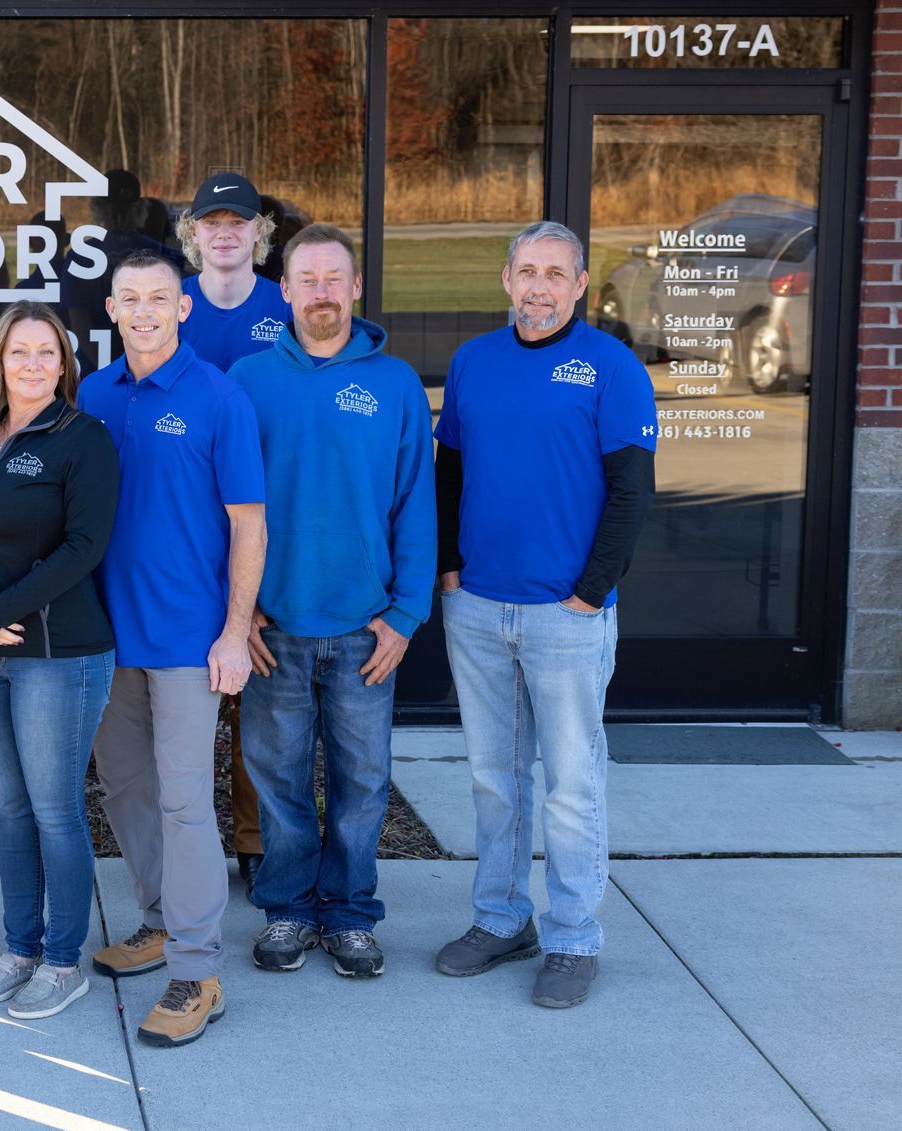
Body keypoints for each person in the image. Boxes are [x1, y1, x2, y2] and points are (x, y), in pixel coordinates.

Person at [431, 221, 657, 1010]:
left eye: (555, 274)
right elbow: (450, 473)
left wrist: (589, 592)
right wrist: (450, 570)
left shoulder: (612, 367)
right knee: (495, 779)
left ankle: (572, 937)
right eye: (527, 271)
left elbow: (631, 493)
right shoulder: (473, 361)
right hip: (479, 606)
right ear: (506, 278)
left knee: (570, 784)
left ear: (580, 285)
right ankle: (501, 919)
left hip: (567, 615)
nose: (539, 287)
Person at [229, 224, 435, 980]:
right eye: (306, 279)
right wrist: (239, 611)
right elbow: (221, 506)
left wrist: (406, 614)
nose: (321, 292)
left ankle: (349, 915)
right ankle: (287, 907)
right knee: (278, 781)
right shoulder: (247, 380)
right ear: (284, 290)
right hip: (274, 626)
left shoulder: (396, 383)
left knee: (363, 785)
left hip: (364, 629)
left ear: (355, 288)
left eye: (333, 278)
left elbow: (416, 504)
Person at [77, 254, 266, 1049]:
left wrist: (235, 630)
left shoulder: (220, 398)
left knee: (186, 803)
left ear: (183, 307)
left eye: (160, 297)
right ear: (112, 309)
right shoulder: (93, 394)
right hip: (107, 637)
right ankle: (159, 921)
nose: (145, 310)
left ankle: (198, 970)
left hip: (190, 640)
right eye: (131, 298)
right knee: (126, 787)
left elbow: (249, 524)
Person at [0, 303, 119, 1021]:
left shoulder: (83, 438)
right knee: (11, 808)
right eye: (20, 352)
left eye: (47, 352)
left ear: (64, 364)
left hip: (58, 654)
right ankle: (19, 948)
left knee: (54, 810)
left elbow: (84, 546)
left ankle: (63, 961)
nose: (33, 364)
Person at [175, 171, 292, 892]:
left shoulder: (286, 306)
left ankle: (254, 838)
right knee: (183, 695)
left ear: (259, 232)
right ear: (193, 234)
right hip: (186, 530)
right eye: (211, 222)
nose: (225, 233)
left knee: (259, 698)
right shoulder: (172, 305)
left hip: (261, 522)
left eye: (238, 221)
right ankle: (184, 838)